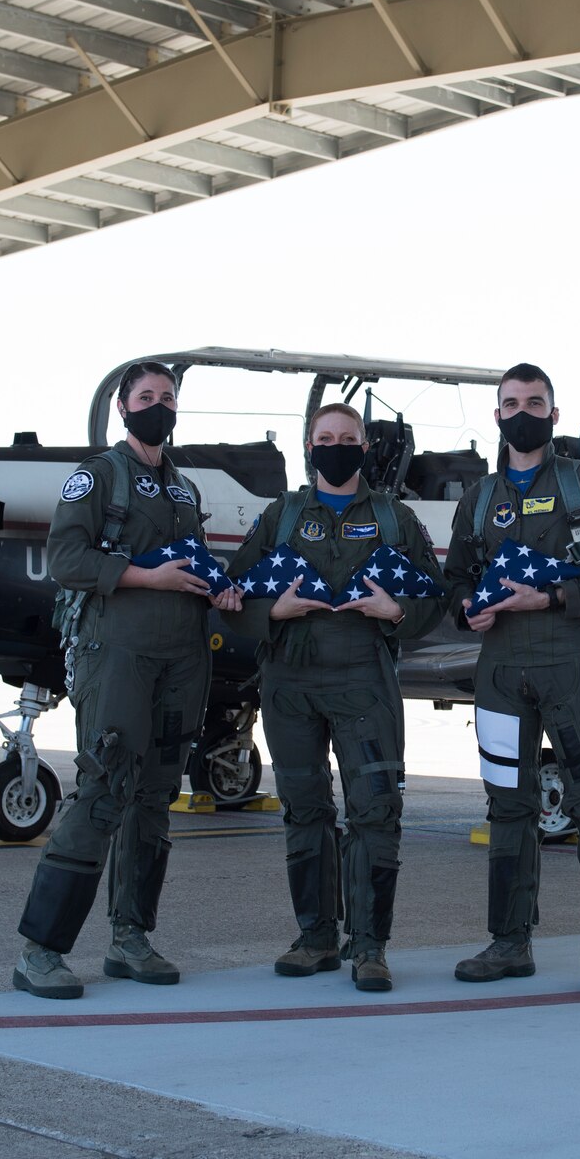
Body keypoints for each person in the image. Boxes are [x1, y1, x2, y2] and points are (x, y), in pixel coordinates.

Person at [221, 402, 447, 992]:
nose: (337, 446)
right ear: (310, 446)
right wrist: (274, 610)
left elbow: (435, 597)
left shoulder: (396, 518)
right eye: (326, 438)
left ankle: (369, 946)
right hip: (289, 683)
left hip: (364, 680)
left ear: (365, 446)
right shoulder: (283, 515)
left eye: (348, 438)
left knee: (375, 811)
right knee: (306, 810)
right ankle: (316, 937)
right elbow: (232, 594)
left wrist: (396, 611)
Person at [13, 362, 215, 1000]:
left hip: (182, 655)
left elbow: (196, 561)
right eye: (146, 397)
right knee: (104, 790)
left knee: (156, 798)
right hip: (118, 652)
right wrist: (145, 577)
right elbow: (66, 558)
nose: (158, 406)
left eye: (168, 397)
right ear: (124, 407)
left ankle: (130, 939)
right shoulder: (97, 477)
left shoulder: (183, 489)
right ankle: (40, 951)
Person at [442, 363, 580, 996]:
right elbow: (458, 578)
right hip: (499, 667)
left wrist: (551, 597)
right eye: (510, 402)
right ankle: (509, 943)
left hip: (569, 658)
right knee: (507, 805)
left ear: (553, 414)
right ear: (496, 415)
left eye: (534, 402)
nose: (521, 411)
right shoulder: (478, 499)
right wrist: (466, 608)